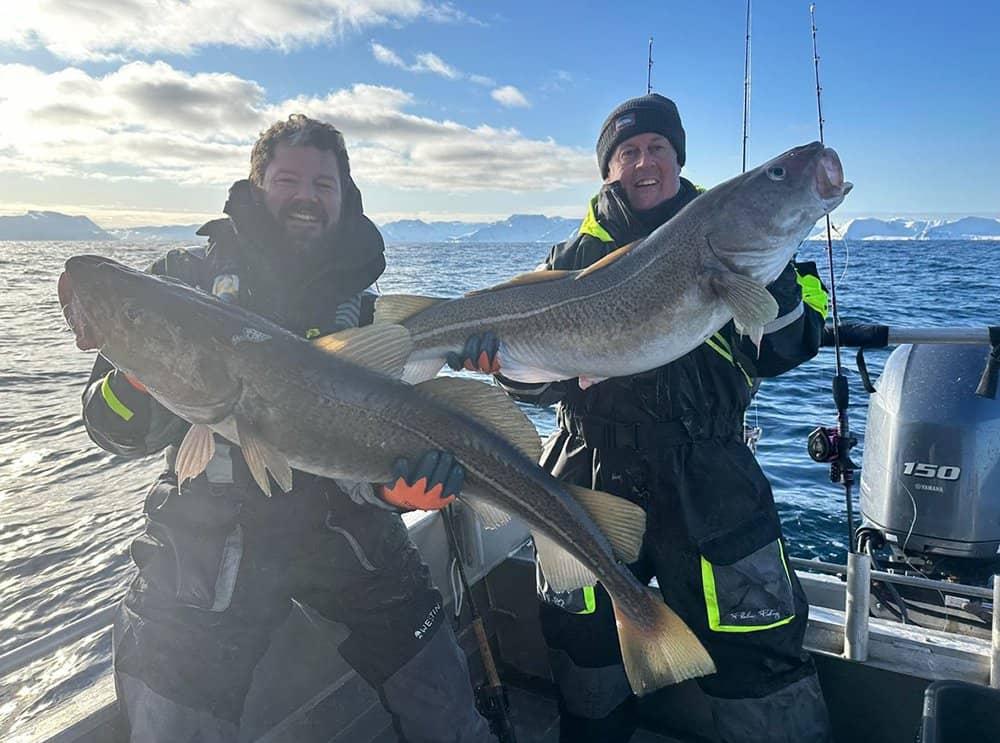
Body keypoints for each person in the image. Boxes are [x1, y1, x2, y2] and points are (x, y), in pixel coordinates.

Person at [81, 114, 494, 742]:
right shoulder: (179, 283)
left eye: (323, 185)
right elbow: (107, 427)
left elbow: (377, 439)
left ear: (344, 197)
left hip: (351, 539)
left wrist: (394, 492)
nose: (306, 197)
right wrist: (137, 376)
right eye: (288, 180)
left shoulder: (367, 308)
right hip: (209, 545)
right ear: (257, 186)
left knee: (447, 711)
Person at [456, 94, 833, 742]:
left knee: (757, 650)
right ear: (607, 171)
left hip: (710, 477)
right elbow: (539, 388)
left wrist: (770, 283)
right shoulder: (564, 263)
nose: (644, 161)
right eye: (627, 152)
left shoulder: (742, 242)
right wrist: (497, 362)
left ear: (680, 158)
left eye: (658, 147)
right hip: (590, 466)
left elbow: (792, 347)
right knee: (582, 646)